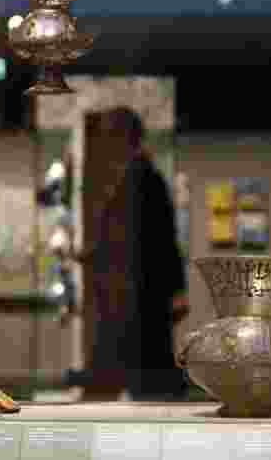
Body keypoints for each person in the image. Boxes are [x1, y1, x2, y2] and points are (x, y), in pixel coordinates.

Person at [86, 106, 189, 400]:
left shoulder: (142, 178)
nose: (104, 145)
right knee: (143, 374)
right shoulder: (134, 176)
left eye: (108, 136)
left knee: (149, 377)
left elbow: (162, 240)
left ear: (122, 137)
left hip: (139, 294)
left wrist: (177, 290)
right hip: (133, 294)